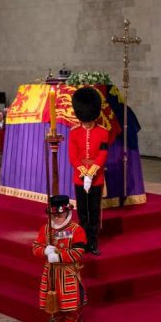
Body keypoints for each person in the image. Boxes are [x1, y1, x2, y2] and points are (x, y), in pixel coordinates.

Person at [31, 195, 88, 322]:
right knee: (55, 309)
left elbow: (79, 251)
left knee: (72, 309)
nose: (56, 218)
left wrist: (59, 256)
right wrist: (44, 251)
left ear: (67, 213)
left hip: (68, 273)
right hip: (50, 275)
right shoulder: (46, 229)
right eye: (54, 215)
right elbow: (35, 247)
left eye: (59, 215)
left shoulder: (77, 230)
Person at [68, 87, 109, 256]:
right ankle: (82, 241)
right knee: (82, 212)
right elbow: (73, 155)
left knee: (93, 212)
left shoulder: (103, 132)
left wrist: (91, 172)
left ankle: (92, 243)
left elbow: (103, 153)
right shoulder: (74, 133)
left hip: (96, 178)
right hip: (79, 178)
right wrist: (83, 171)